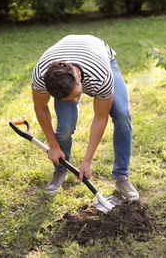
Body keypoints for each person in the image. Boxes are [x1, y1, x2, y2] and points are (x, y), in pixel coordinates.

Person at [31, 34, 139, 201]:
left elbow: (100, 118)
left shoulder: (101, 77)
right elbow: (40, 107)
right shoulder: (41, 76)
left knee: (122, 114)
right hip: (64, 56)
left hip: (99, 55)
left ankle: (121, 176)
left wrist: (87, 161)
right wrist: (53, 145)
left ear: (79, 78)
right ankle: (60, 169)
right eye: (70, 99)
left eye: (77, 94)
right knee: (66, 125)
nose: (76, 100)